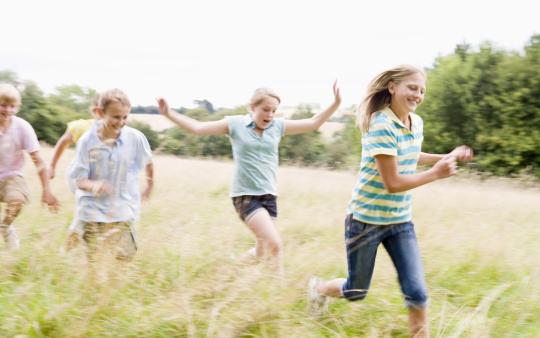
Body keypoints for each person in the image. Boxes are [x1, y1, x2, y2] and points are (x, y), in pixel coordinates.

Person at [307, 66, 473, 337]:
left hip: (400, 221)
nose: (418, 95)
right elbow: (392, 183)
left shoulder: (415, 122)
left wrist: (445, 156)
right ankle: (319, 289)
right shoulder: (380, 124)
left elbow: (410, 153)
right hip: (365, 222)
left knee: (417, 294)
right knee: (356, 291)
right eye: (412, 87)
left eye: (421, 90)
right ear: (392, 87)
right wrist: (435, 174)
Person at [157, 83, 341, 271]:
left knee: (261, 252)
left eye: (274, 111)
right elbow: (197, 128)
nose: (270, 115)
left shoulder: (278, 126)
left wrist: (336, 103)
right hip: (245, 196)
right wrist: (169, 113)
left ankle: (229, 270)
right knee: (274, 244)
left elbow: (313, 123)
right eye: (265, 109)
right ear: (252, 107)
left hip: (269, 196)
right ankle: (277, 290)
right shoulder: (235, 124)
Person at [68, 88, 153, 277]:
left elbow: (148, 161)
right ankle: (95, 288)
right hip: (92, 207)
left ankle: (116, 286)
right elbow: (79, 179)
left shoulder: (135, 137)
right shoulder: (87, 141)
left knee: (127, 253)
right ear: (99, 113)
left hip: (123, 204)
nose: (121, 123)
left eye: (125, 117)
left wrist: (149, 185)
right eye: (116, 117)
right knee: (94, 258)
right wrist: (95, 185)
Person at [0, 83, 59, 249]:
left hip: (12, 175)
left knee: (17, 201)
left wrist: (47, 190)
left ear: (18, 107)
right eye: (3, 105)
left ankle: (5, 227)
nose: (7, 110)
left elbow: (38, 161)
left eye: (12, 106)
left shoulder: (22, 127)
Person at [49, 94, 100, 251]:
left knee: (95, 213)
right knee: (90, 207)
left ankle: (82, 245)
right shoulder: (82, 127)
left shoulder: (120, 131)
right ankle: (67, 249)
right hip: (77, 175)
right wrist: (52, 166)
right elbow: (62, 142)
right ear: (95, 111)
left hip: (96, 179)